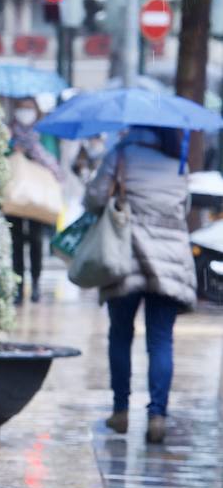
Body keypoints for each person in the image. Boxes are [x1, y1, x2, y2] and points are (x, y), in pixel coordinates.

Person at [84, 125, 196, 444]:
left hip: (126, 257)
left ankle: (120, 411)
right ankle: (157, 415)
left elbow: (94, 199)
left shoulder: (119, 155)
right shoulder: (179, 163)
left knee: (121, 333)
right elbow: (183, 209)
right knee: (161, 340)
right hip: (171, 260)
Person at [6, 97, 62, 303]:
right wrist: (14, 151)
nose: (25, 112)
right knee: (17, 242)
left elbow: (53, 161)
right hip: (15, 195)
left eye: (29, 108)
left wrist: (33, 152)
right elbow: (2, 156)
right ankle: (19, 287)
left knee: (37, 241)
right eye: (21, 108)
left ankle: (36, 284)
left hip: (39, 195)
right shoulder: (9, 132)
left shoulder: (44, 133)